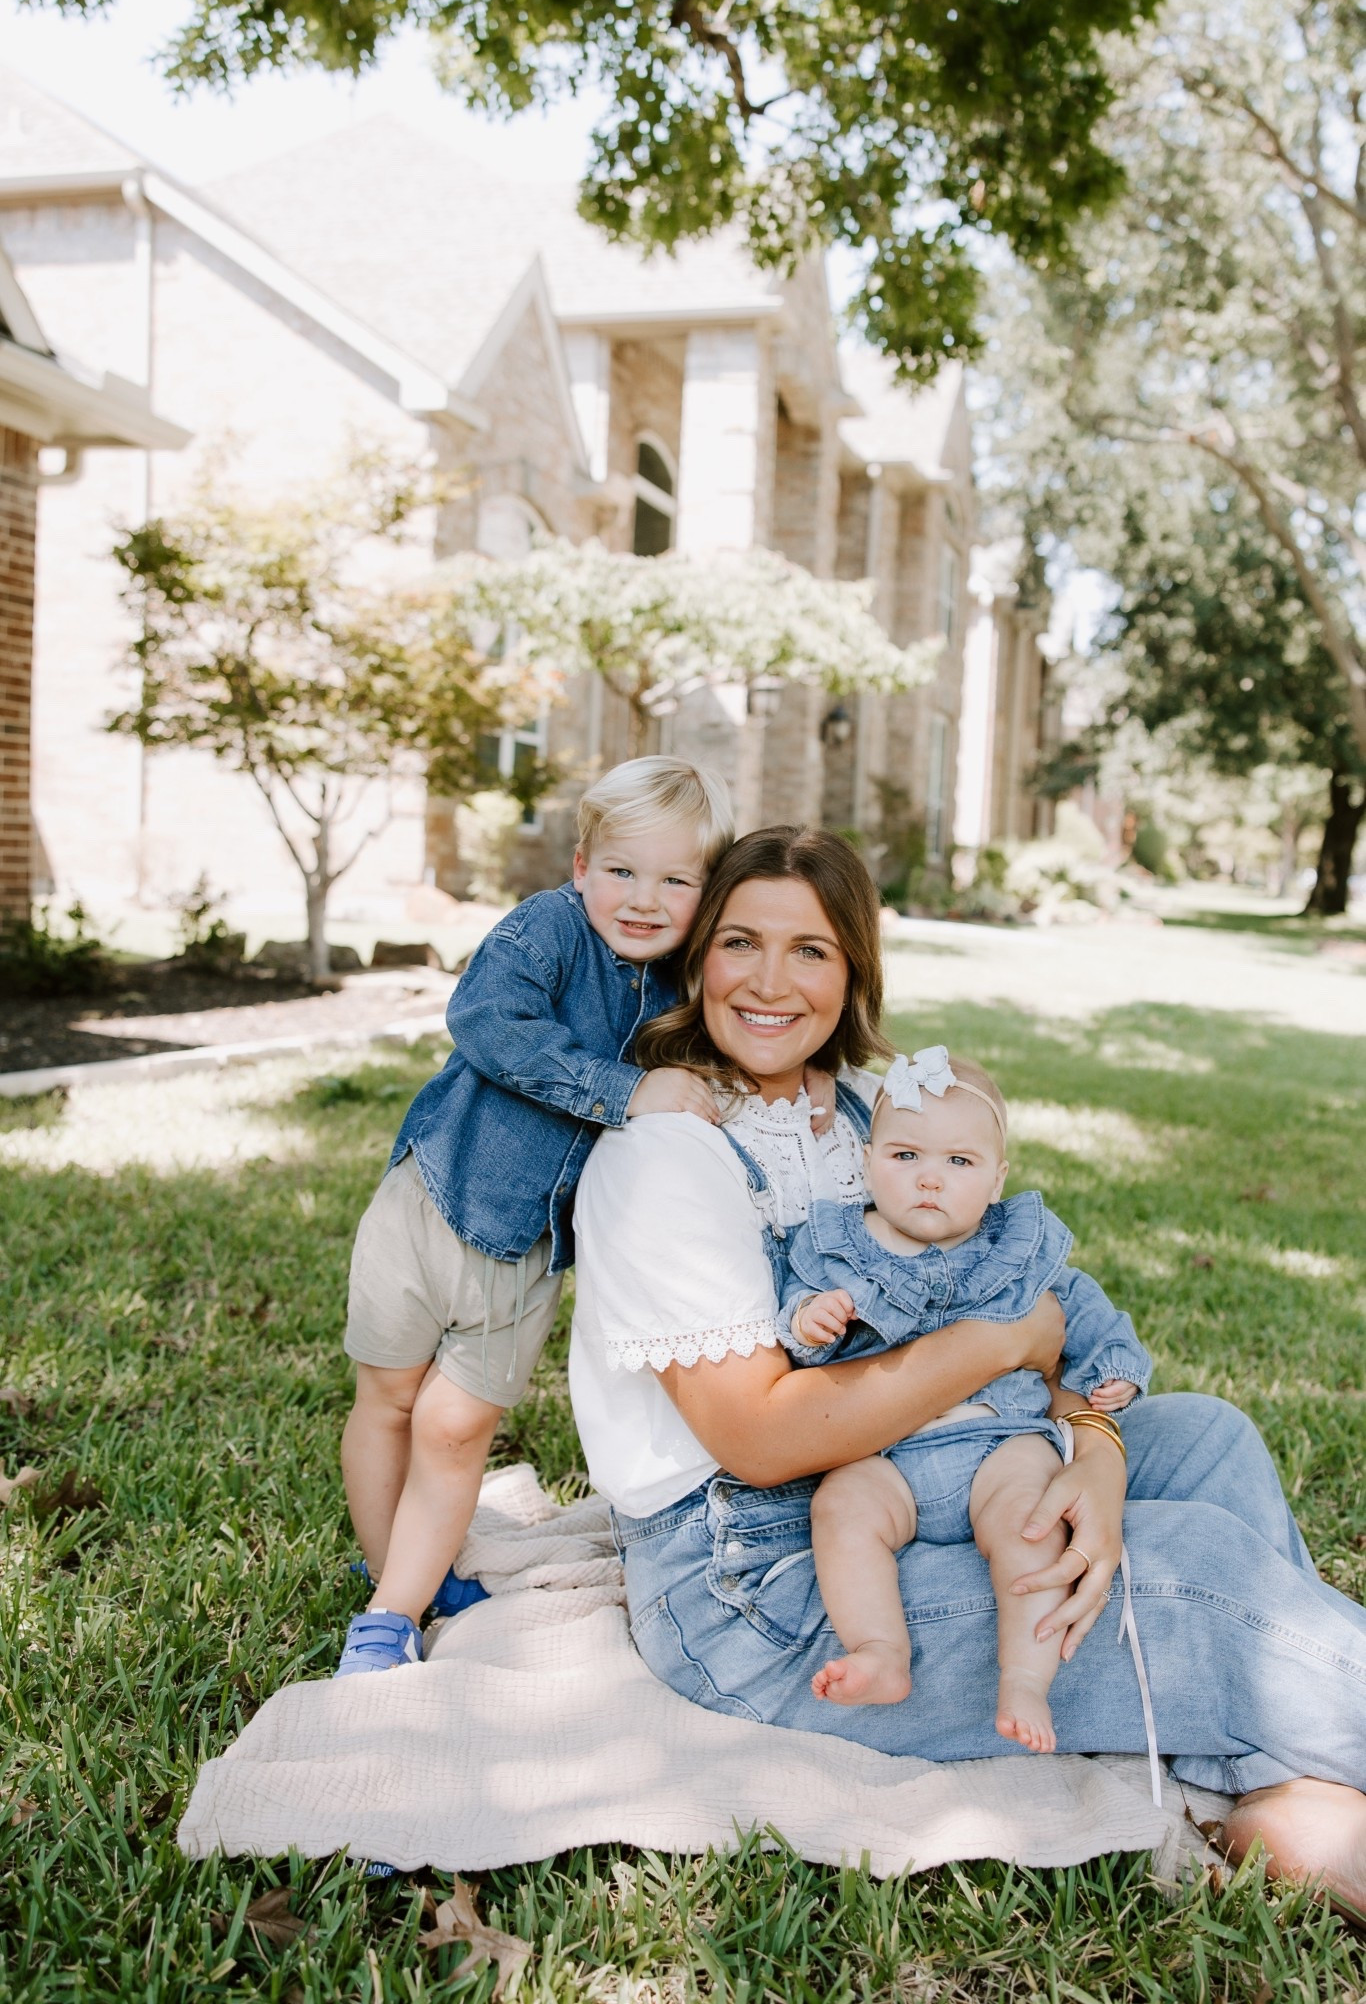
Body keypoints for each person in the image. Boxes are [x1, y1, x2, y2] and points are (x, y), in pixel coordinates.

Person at [568, 825, 1366, 1913]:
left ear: (854, 968)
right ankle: (1296, 1765)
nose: (768, 980)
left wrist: (1093, 1450)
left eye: (810, 949)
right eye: (739, 941)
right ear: (695, 955)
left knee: (1207, 1438)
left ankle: (1273, 1777)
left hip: (949, 1453)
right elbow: (759, 1439)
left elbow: (1038, 1306)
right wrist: (1003, 1342)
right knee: (1193, 1569)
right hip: (759, 1578)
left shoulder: (876, 1116)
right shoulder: (665, 1154)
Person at [334, 756, 733, 1674]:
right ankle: (400, 1576)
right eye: (622, 870)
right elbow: (487, 1019)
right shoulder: (549, 928)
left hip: (526, 1251)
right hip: (428, 1199)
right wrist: (622, 1090)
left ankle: (388, 1619)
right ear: (582, 865)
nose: (644, 898)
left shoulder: (685, 987)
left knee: (454, 1427)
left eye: (677, 881)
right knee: (388, 1401)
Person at [778, 1046, 1152, 1748]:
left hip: (998, 1442)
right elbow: (794, 1314)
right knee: (841, 1508)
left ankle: (1026, 1678)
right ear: (868, 1161)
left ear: (997, 1178)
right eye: (906, 1156)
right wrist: (808, 1321)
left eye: (959, 1162)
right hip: (884, 1452)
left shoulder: (1015, 1247)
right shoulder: (837, 1248)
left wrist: (1115, 1366)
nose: (930, 1179)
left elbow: (1081, 1305)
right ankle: (880, 1651)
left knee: (1032, 1525)